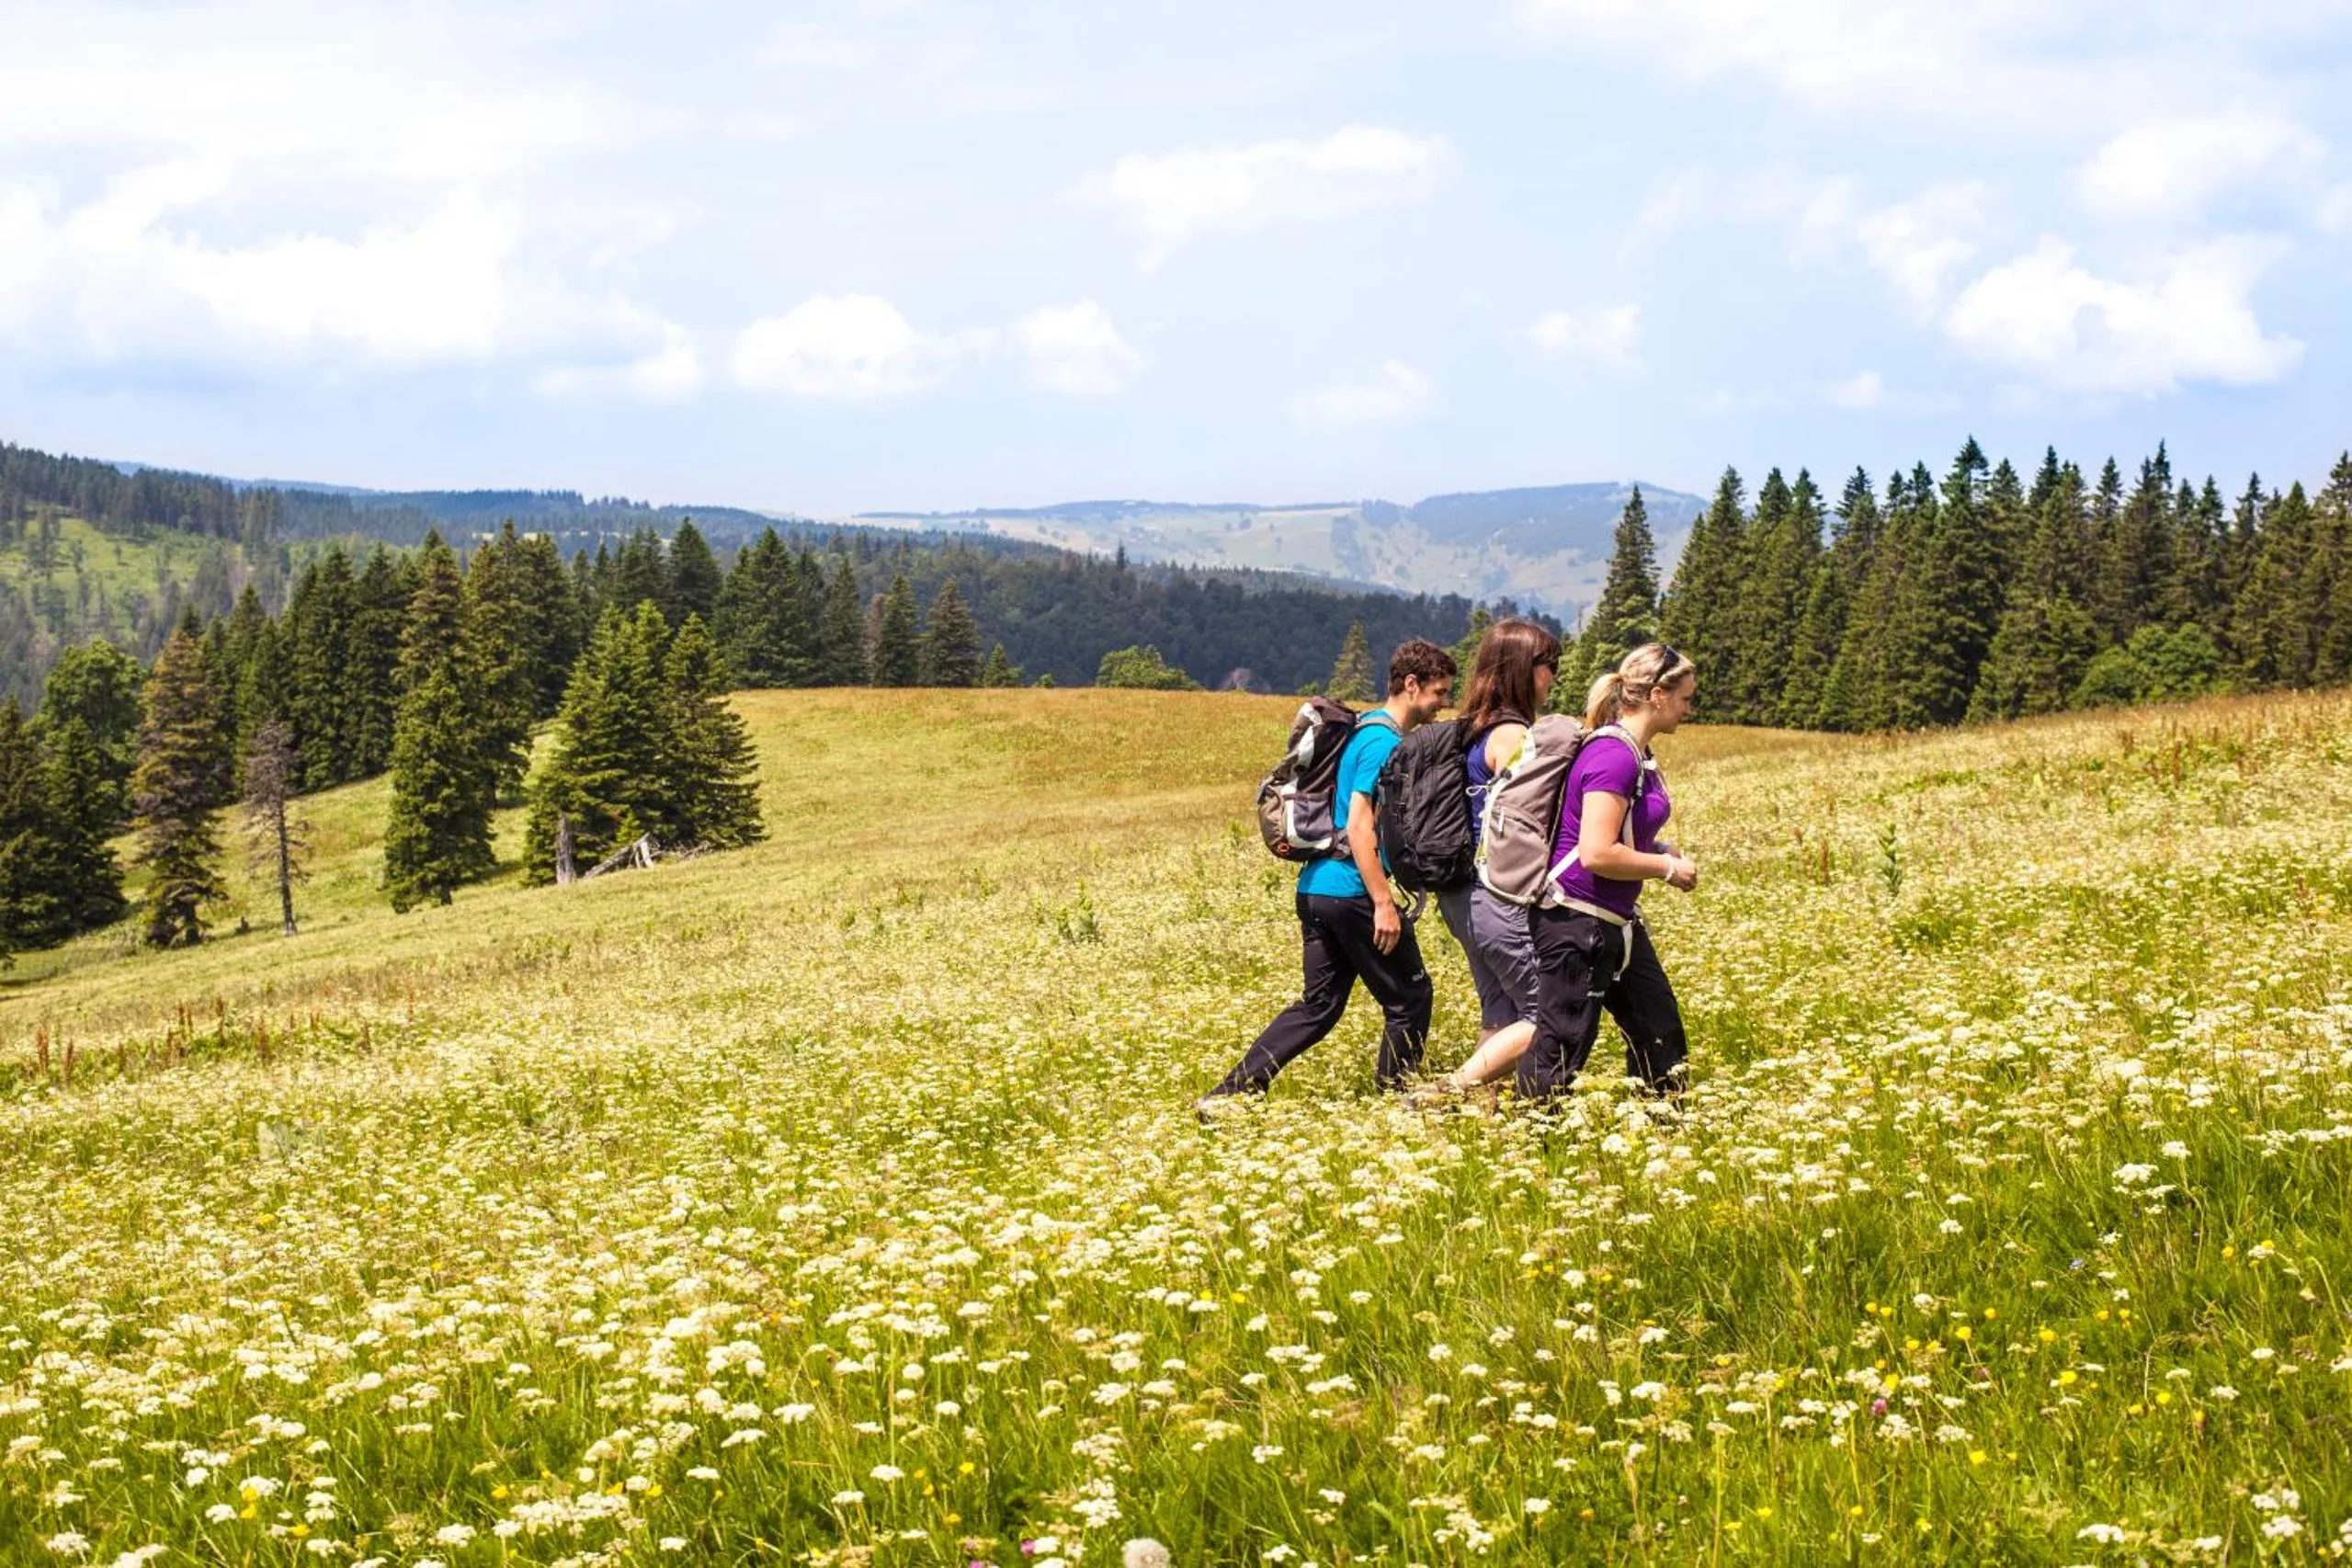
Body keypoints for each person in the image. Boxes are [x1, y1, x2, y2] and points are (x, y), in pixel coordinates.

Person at [1203, 638, 1460, 1106]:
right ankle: (1397, 1099)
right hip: (1353, 892)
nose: (1443, 704)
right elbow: (1359, 824)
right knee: (1410, 999)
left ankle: (1229, 1095)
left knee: (1318, 1006)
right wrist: (1383, 902)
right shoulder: (1383, 742)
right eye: (1439, 692)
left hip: (1317, 888)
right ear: (1411, 685)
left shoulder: (1364, 729)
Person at [1515, 642, 1699, 1100]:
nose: (1689, 708)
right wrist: (1665, 867)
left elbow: (1616, 831)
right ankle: (1529, 1146)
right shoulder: (1613, 755)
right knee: (1563, 1044)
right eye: (1686, 698)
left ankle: (1666, 1140)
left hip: (1613, 920)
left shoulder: (1640, 754)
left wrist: (1656, 846)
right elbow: (1596, 851)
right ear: (1658, 695)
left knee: (1659, 1032)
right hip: (1577, 919)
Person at [1420, 618, 1560, 1096]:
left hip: (1460, 896)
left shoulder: (1473, 729)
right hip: (1496, 894)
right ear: (1523, 668)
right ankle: (1447, 1091)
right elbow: (1535, 817)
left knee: (1500, 1013)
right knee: (1549, 1013)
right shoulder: (1513, 734)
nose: (1554, 677)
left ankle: (1484, 1128)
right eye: (1548, 666)